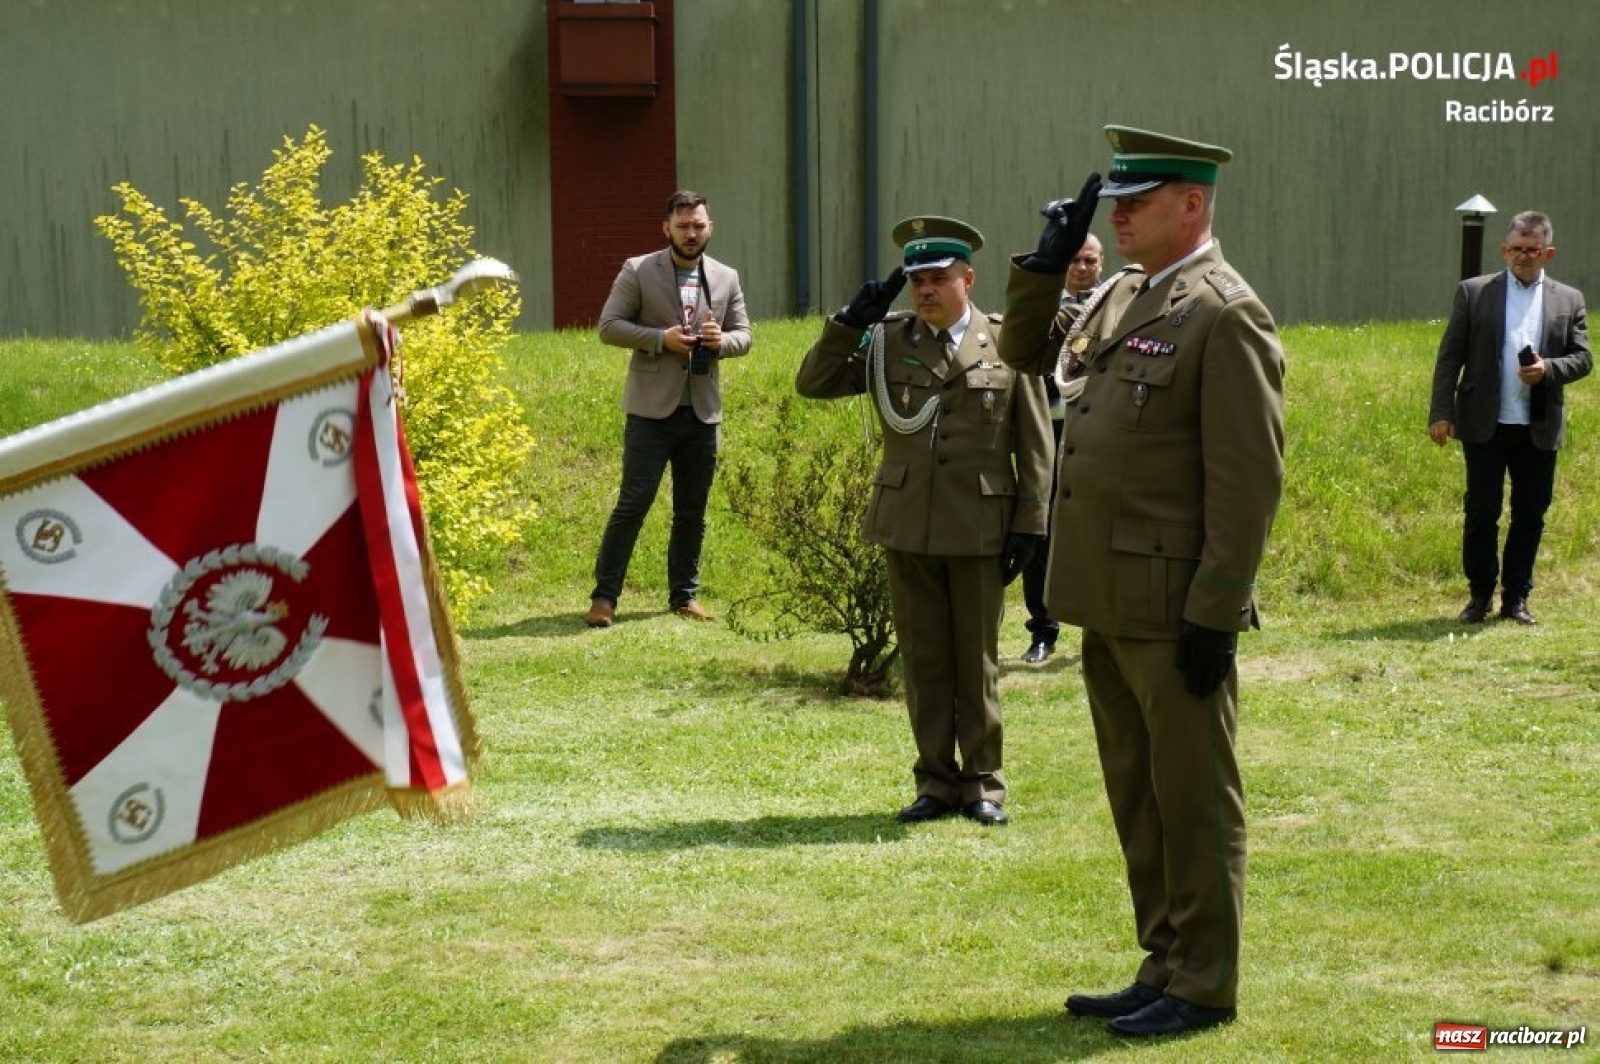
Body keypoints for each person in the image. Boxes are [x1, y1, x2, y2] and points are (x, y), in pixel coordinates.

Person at [999, 126, 1285, 1037]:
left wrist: (1216, 606)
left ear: (1192, 206)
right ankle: (1164, 959)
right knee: (1139, 791)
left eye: (1139, 200)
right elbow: (1023, 355)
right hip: (1106, 597)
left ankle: (1205, 983)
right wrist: (1045, 266)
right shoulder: (1124, 293)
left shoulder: (1225, 311)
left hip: (1174, 609)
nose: (1118, 215)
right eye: (1115, 202)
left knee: (1194, 798)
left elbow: (1249, 478)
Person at [796, 216, 1053, 827]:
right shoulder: (888, 341)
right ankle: (936, 781)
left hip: (980, 523)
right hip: (908, 521)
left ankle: (984, 785)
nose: (926, 291)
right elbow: (814, 383)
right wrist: (849, 324)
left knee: (977, 660)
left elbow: (1036, 440)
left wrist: (1031, 523)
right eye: (917, 282)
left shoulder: (1005, 341)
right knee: (925, 659)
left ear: (968, 278)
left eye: (938, 279)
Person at [584, 190, 754, 628]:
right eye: (683, 227)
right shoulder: (639, 270)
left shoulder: (726, 276)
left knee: (692, 511)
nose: (691, 234)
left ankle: (684, 595)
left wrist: (722, 343)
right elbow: (609, 327)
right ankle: (604, 598)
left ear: (709, 228)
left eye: (698, 226)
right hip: (649, 413)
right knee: (633, 504)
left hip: (702, 412)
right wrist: (662, 340)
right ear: (667, 229)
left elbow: (745, 336)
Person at [1428, 211, 1591, 626]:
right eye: (1515, 248)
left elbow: (1583, 358)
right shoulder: (1473, 292)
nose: (1522, 256)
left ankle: (1516, 598)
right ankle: (1479, 595)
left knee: (1530, 514)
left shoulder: (1568, 299)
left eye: (1532, 250)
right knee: (1481, 512)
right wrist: (1442, 412)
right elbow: (1450, 358)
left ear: (1547, 252)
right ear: (1504, 249)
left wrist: (1548, 370)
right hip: (1485, 422)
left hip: (1538, 425)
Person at [1020, 233, 1104, 664]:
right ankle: (1043, 631)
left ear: (1101, 263)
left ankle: (1102, 626)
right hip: (1045, 429)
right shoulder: (1042, 308)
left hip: (1092, 433)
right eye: (1075, 259)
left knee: (1097, 529)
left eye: (1090, 259)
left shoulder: (1116, 307)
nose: (1082, 267)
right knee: (1039, 531)